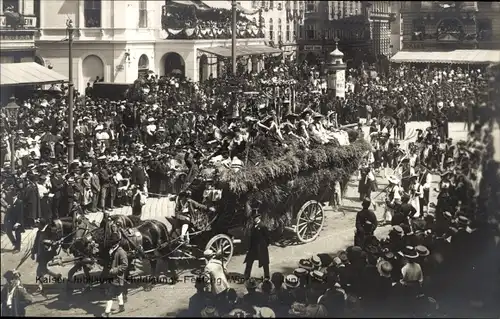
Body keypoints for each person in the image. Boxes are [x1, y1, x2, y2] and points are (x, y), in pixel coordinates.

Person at [102, 232, 128, 317]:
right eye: (111, 243)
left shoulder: (121, 252)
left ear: (117, 242)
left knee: (109, 294)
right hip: (112, 276)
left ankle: (107, 312)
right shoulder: (112, 250)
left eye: (113, 243)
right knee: (118, 291)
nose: (112, 244)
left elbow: (125, 265)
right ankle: (121, 306)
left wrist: (114, 270)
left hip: (117, 277)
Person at [243, 204, 271, 281]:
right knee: (249, 261)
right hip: (253, 248)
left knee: (265, 262)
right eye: (253, 218)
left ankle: (267, 276)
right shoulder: (253, 226)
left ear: (259, 218)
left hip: (261, 247)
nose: (254, 219)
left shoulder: (262, 226)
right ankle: (246, 275)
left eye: (255, 218)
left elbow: (268, 238)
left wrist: (264, 245)